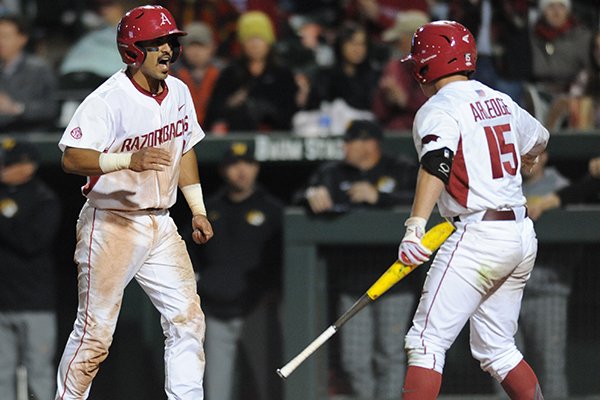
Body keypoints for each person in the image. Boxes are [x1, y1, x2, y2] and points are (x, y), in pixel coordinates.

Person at [54, 5, 214, 399]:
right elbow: (71, 158)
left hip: (161, 223)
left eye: (169, 42)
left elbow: (186, 147)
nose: (166, 50)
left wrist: (198, 210)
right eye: (155, 43)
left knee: (188, 321)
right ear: (132, 50)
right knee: (95, 335)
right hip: (112, 223)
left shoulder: (178, 90)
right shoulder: (108, 98)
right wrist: (127, 160)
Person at [397, 20, 549, 399]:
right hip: (519, 235)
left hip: (478, 235)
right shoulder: (499, 98)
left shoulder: (438, 108)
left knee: (426, 341)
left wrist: (415, 225)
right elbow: (541, 138)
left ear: (426, 65)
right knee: (496, 348)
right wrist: (527, 157)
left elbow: (437, 162)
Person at [294, 119, 418, 400]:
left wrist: (380, 197)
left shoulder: (400, 168)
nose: (345, 147)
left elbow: (426, 200)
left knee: (389, 354)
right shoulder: (333, 172)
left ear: (370, 144)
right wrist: (311, 194)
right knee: (354, 359)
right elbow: (300, 195)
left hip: (394, 279)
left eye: (351, 141)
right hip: (352, 282)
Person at [187, 142, 284, 400]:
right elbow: (190, 254)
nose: (241, 170)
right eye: (234, 164)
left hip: (257, 311)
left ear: (256, 167)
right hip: (215, 311)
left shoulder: (273, 210)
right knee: (217, 389)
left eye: (248, 163)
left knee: (267, 384)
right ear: (222, 170)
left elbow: (282, 259)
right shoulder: (208, 209)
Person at [0, 138, 62, 400]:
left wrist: (4, 220)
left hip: (36, 304)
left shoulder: (44, 198)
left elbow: (31, 243)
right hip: (2, 303)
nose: (4, 169)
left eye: (10, 164)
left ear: (28, 166)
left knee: (39, 374)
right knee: (2, 374)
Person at [204, 10, 298, 134]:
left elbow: (292, 112)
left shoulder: (282, 74)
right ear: (242, 43)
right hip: (238, 140)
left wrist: (268, 110)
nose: (255, 44)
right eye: (249, 39)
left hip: (277, 140)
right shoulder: (230, 73)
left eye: (259, 38)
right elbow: (212, 114)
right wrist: (232, 103)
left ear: (269, 42)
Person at [372, 10, 430, 132]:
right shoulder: (394, 66)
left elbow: (437, 109)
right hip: (395, 132)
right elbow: (378, 113)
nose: (396, 45)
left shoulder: (434, 68)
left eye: (399, 40)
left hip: (426, 133)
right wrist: (386, 98)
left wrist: (405, 100)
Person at [0, 14, 58, 131]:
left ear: (22, 38)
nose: (1, 41)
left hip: (31, 138)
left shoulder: (39, 69)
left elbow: (51, 108)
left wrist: (16, 108)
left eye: (5, 36)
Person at [171, 21, 221, 127]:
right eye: (191, 46)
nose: (196, 51)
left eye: (201, 46)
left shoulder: (223, 73)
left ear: (212, 47)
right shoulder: (171, 74)